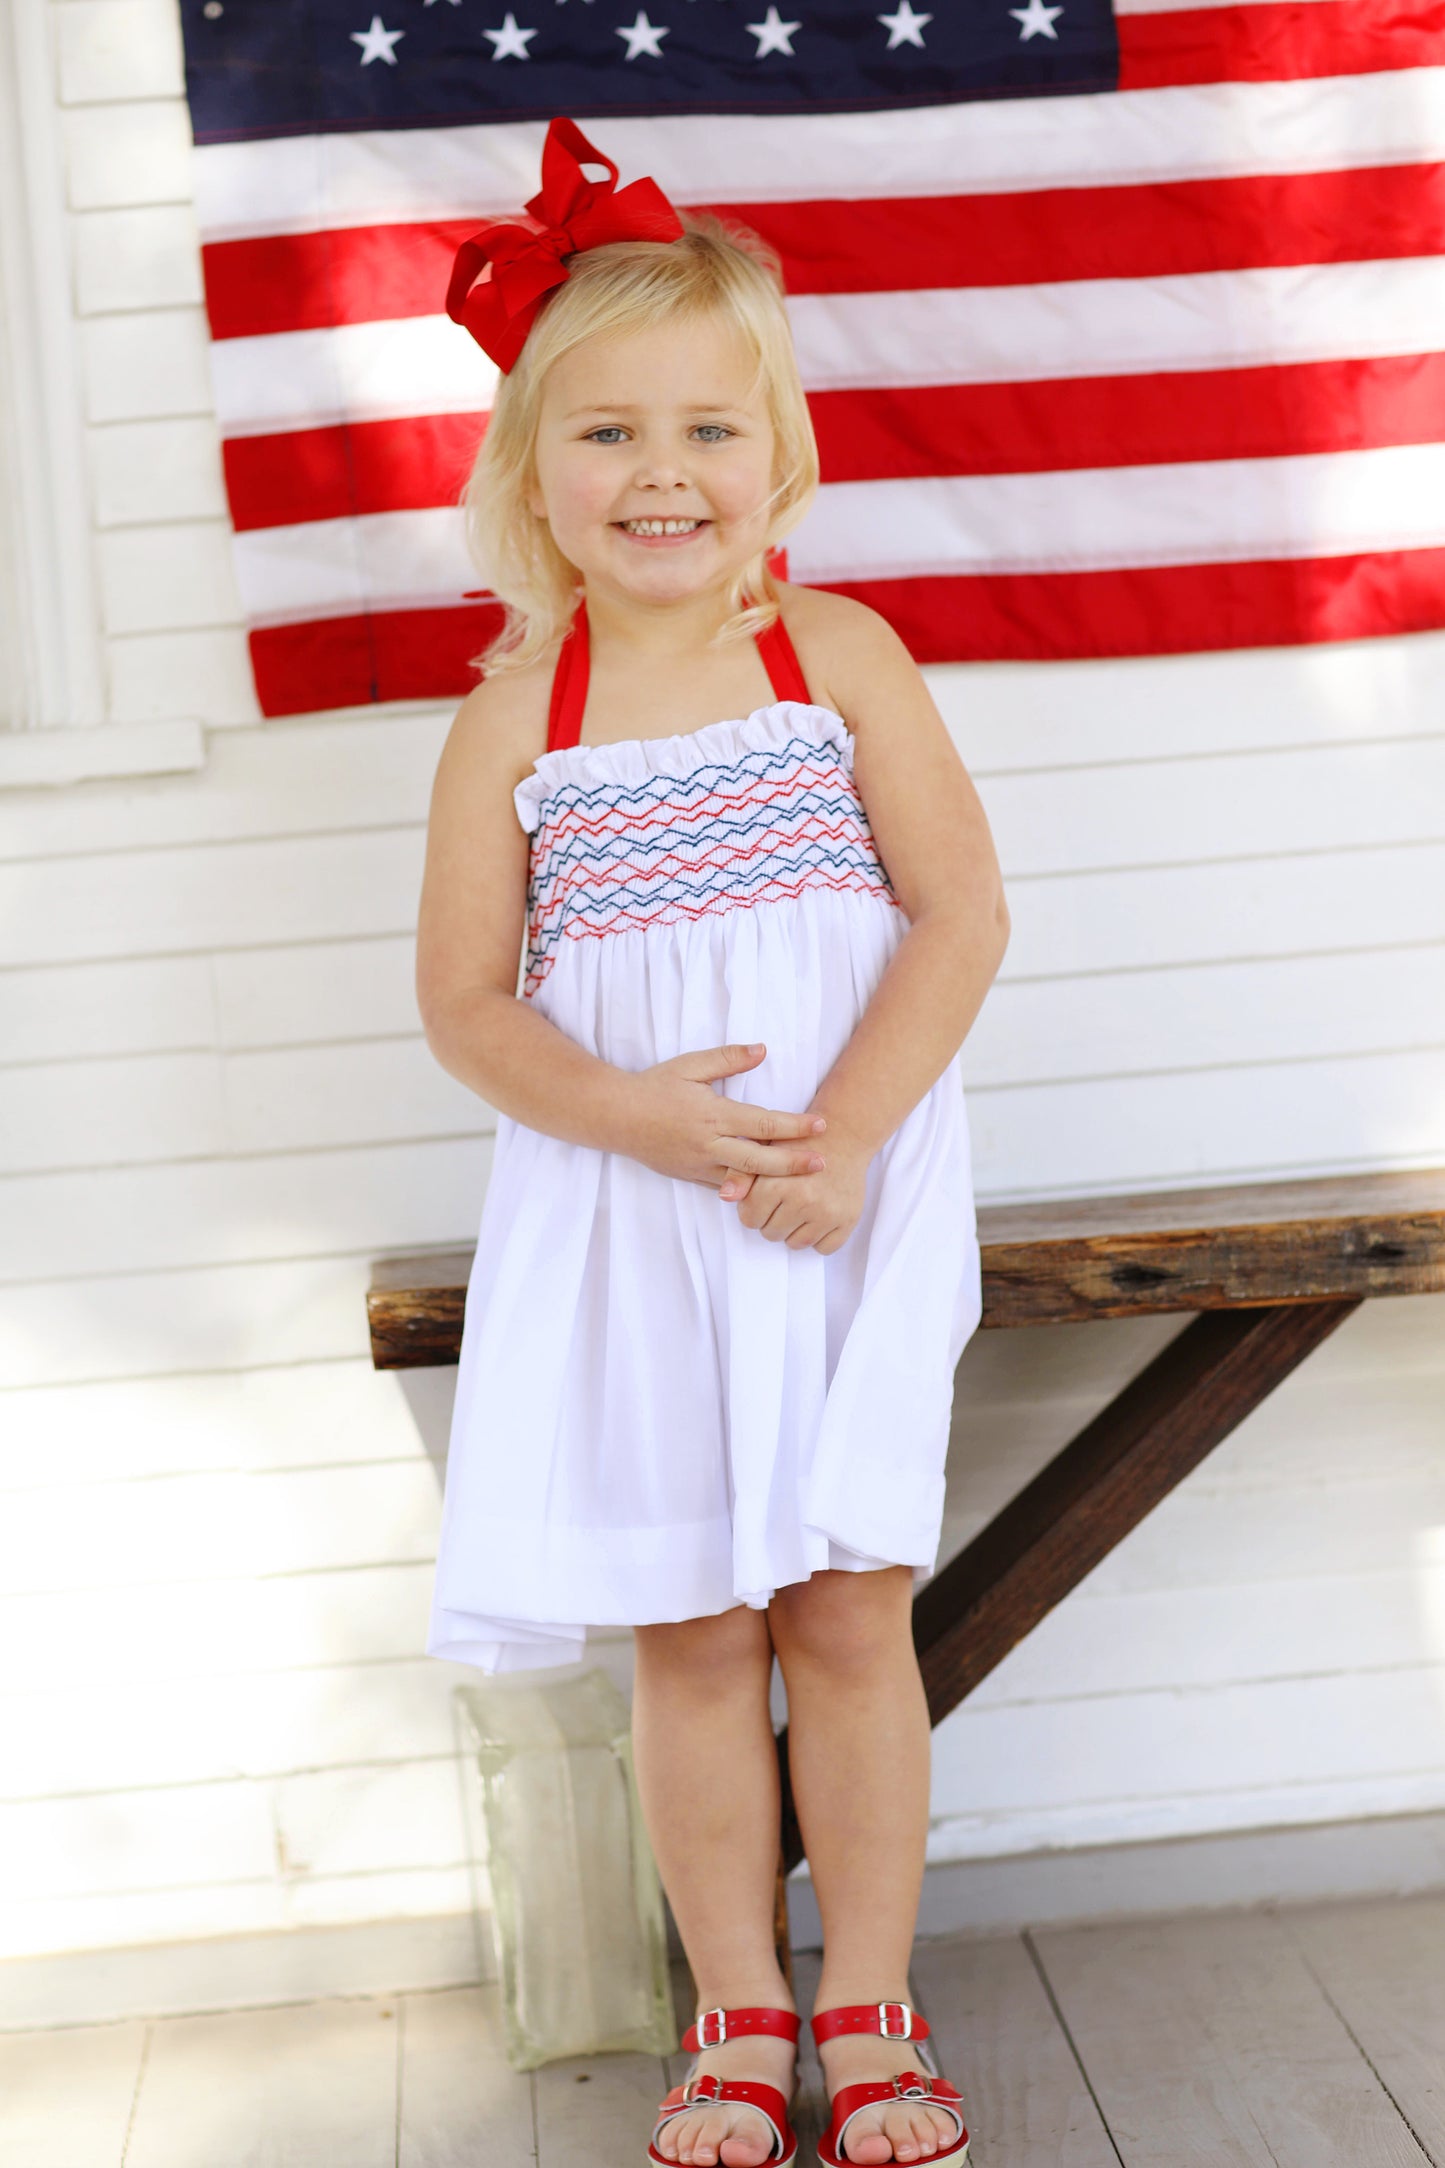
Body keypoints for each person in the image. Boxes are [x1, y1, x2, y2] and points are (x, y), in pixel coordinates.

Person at [416, 117, 1010, 2168]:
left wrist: (837, 1137)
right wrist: (633, 1112)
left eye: (704, 428)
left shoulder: (828, 661)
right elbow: (469, 1004)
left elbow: (961, 915)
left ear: (778, 460)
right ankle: (737, 2011)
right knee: (692, 1617)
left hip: (836, 1202)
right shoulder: (520, 716)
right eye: (603, 434)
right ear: (529, 468)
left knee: (847, 1600)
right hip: (632, 1219)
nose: (658, 473)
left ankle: (870, 1998)